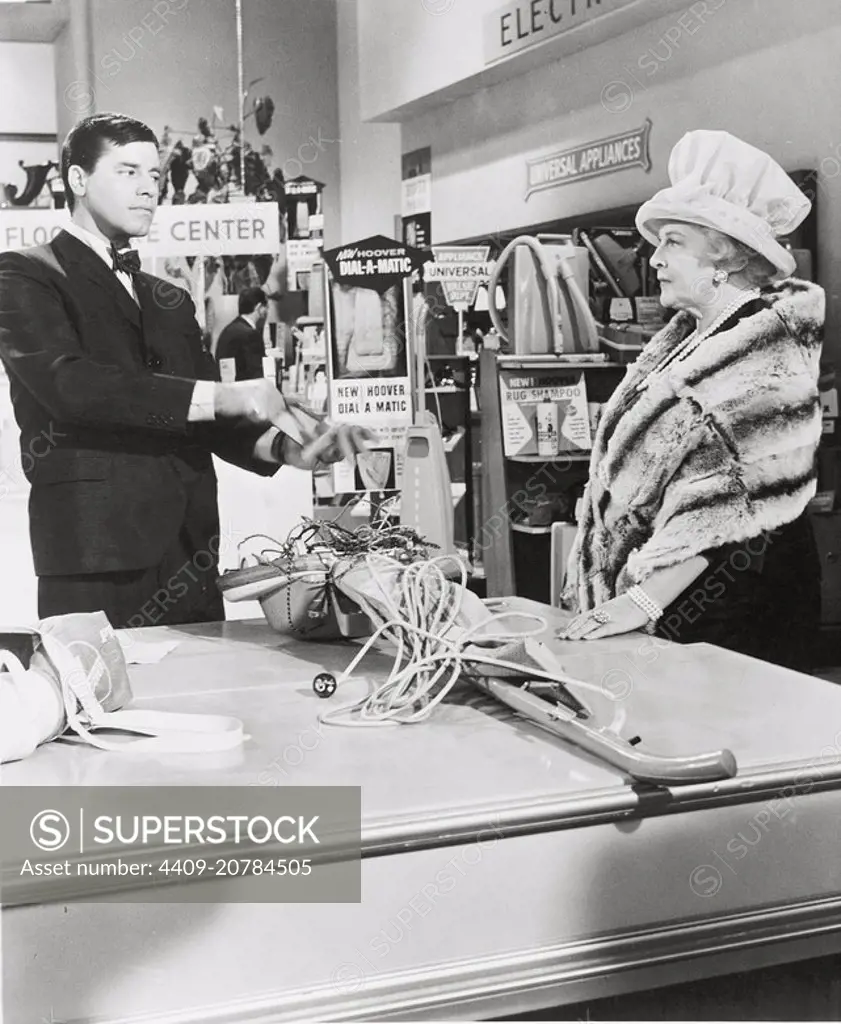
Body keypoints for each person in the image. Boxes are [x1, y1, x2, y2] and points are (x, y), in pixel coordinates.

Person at [0, 113, 371, 629]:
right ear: (78, 180)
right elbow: (71, 386)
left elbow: (204, 419)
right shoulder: (24, 274)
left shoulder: (168, 298)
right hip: (97, 554)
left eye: (154, 175)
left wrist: (289, 448)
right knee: (103, 706)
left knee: (201, 697)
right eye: (128, 172)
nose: (148, 189)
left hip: (191, 552)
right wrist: (224, 395)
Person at [562, 130, 824, 672]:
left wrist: (641, 600)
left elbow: (732, 505)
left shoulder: (764, 348)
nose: (654, 258)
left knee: (720, 742)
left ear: (723, 258)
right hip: (678, 595)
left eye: (673, 242)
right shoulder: (690, 337)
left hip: (733, 600)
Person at [215, 286, 269, 381]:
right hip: (243, 392)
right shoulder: (251, 335)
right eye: (266, 307)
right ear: (259, 307)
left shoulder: (228, 329)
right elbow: (257, 374)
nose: (267, 311)